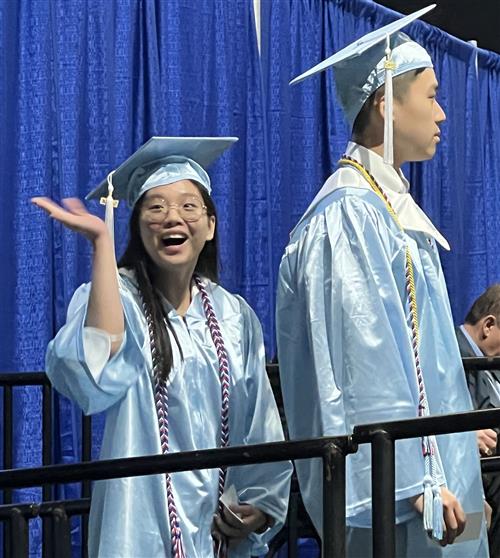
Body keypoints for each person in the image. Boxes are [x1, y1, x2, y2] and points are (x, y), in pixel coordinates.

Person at [276, 6, 488, 557]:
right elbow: (361, 357)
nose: (442, 114)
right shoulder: (348, 214)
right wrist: (413, 481)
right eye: (432, 95)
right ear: (385, 101)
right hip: (402, 487)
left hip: (429, 474)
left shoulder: (387, 208)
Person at [33, 137, 292, 558]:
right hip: (138, 524)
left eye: (189, 206)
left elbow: (259, 423)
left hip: (216, 531)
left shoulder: (233, 315)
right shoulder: (119, 299)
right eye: (155, 208)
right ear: (137, 227)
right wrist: (102, 244)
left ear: (210, 226)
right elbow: (96, 371)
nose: (173, 217)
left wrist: (260, 507)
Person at [456, 284, 500, 556]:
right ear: (488, 325)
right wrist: (462, 436)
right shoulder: (449, 352)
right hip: (469, 473)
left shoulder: (487, 359)